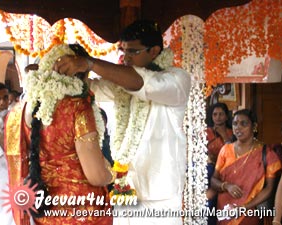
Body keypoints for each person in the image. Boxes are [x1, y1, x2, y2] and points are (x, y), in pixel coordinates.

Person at [53, 20, 191, 224]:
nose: (125, 58)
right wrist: (50, 76)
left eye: (133, 51)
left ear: (154, 51)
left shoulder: (176, 79)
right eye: (123, 51)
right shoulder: (121, 84)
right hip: (124, 187)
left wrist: (90, 63)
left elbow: (142, 83)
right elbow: (91, 88)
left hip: (159, 194)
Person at [5, 44, 113, 225]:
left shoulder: (17, 112)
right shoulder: (77, 107)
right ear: (81, 74)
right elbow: (96, 175)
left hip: (44, 214)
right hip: (82, 212)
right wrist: (112, 172)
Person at [211, 109, 282, 225]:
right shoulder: (225, 150)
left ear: (254, 127)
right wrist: (226, 186)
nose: (238, 127)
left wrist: (245, 207)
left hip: (249, 212)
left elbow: (269, 189)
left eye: (243, 123)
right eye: (235, 124)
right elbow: (213, 180)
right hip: (225, 211)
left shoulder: (267, 153)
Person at [206, 103, 233, 225]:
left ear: (227, 116)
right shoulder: (206, 132)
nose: (218, 117)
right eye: (215, 114)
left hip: (228, 170)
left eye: (221, 114)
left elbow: (232, 151)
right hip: (210, 171)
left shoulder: (232, 132)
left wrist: (223, 135)